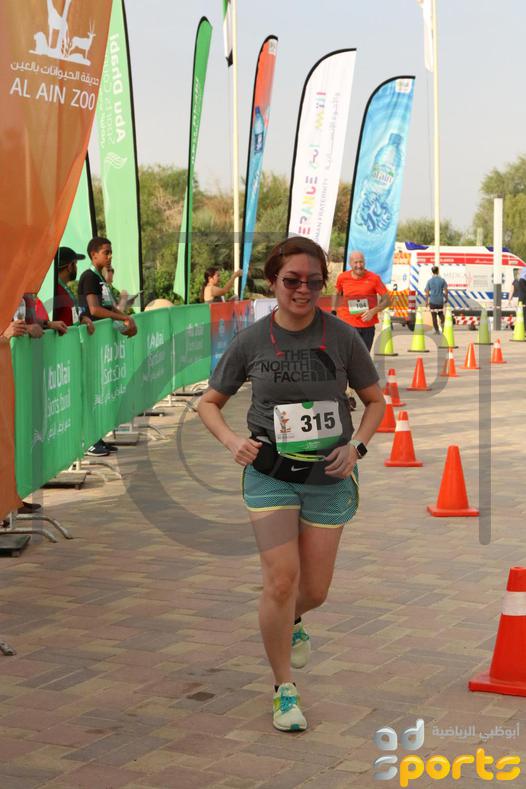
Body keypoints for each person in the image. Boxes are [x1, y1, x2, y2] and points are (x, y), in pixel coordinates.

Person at [198, 237, 385, 732]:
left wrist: (357, 447)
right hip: (270, 473)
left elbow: (375, 402)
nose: (303, 290)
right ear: (272, 282)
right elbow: (208, 403)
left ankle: (290, 620)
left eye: (314, 282)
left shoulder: (342, 337)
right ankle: (284, 689)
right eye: (292, 281)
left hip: (329, 475)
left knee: (314, 590)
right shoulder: (251, 341)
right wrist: (232, 441)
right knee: (281, 581)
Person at [78, 237, 137, 457]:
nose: (110, 256)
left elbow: (109, 307)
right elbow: (94, 309)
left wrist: (126, 319)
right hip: (90, 342)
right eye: (106, 252)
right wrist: (123, 318)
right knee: (90, 391)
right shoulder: (88, 277)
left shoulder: (100, 278)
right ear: (94, 255)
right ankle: (89, 440)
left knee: (100, 392)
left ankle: (97, 435)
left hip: (101, 345)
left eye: (111, 252)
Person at [333, 250, 390, 352]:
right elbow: (337, 294)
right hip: (347, 324)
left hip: (367, 326)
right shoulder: (342, 277)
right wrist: (334, 312)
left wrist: (373, 311)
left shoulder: (374, 278)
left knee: (363, 357)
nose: (359, 265)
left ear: (365, 262)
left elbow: (387, 300)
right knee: (348, 356)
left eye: (361, 262)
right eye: (356, 262)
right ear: (350, 263)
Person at [54, 246, 95, 333]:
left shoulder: (63, 288)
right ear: (69, 267)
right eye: (75, 264)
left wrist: (82, 318)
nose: (76, 267)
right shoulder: (57, 290)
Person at [424, 265, 448, 334]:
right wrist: (446, 298)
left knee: (434, 316)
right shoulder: (442, 280)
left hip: (432, 301)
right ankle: (443, 327)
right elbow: (446, 290)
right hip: (440, 301)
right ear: (438, 271)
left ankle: (437, 331)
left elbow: (427, 292)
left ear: (432, 272)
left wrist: (426, 301)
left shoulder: (429, 281)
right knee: (441, 314)